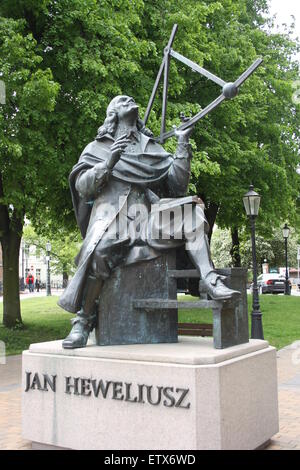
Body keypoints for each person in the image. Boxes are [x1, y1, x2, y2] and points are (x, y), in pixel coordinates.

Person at [58, 95, 239, 348]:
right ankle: (83, 321)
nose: (129, 100)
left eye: (130, 99)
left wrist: (182, 142)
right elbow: (83, 187)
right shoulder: (97, 148)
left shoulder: (150, 146)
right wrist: (110, 161)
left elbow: (177, 185)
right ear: (112, 115)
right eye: (122, 100)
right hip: (114, 219)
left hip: (149, 217)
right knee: (99, 253)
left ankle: (209, 279)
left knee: (192, 212)